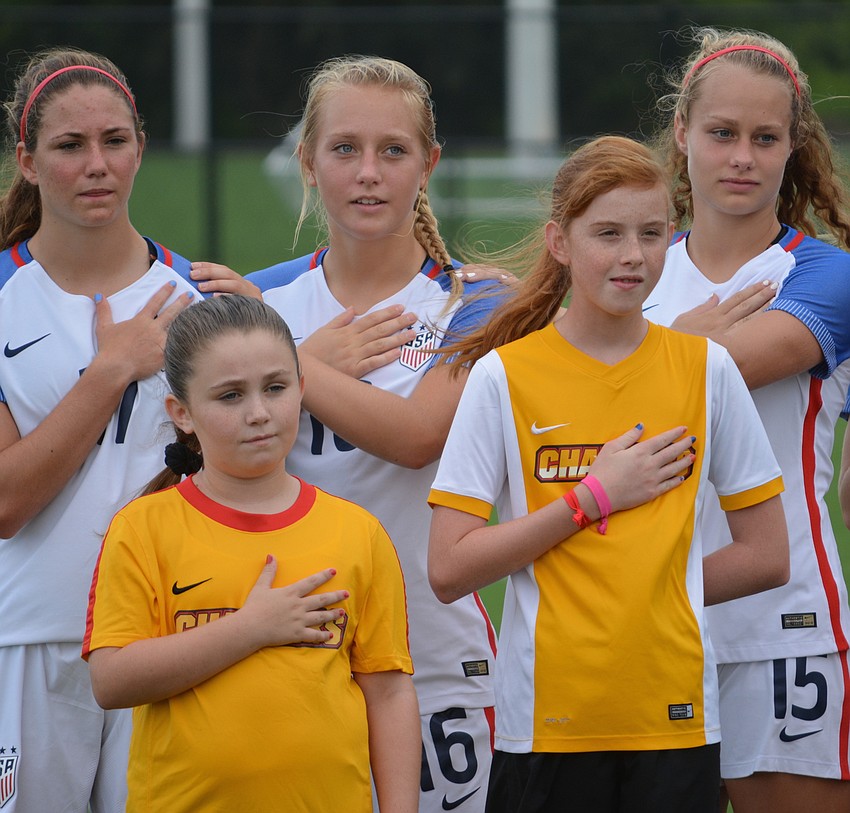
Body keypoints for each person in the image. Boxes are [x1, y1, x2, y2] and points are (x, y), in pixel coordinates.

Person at [427, 135, 790, 813]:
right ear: (559, 242)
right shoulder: (502, 377)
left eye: (652, 233)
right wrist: (591, 498)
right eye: (608, 233)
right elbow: (448, 567)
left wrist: (661, 586)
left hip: (675, 722)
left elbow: (768, 555)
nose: (632, 255)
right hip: (545, 726)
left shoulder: (707, 369)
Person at [217, 55, 507, 813]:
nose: (368, 173)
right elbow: (206, 462)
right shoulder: (264, 296)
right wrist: (285, 350)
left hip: (435, 659)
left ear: (429, 164)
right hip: (284, 652)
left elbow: (416, 436)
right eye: (344, 149)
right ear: (308, 162)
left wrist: (287, 367)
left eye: (393, 150)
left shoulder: (478, 301)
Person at [83, 294, 418, 813]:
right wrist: (250, 628)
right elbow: (111, 680)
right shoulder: (144, 526)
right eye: (230, 396)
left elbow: (390, 694)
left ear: (302, 390)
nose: (259, 413)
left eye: (276, 388)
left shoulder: (358, 531)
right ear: (182, 413)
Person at [643, 27, 850, 812]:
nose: (741, 156)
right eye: (721, 133)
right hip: (644, 618)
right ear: (681, 134)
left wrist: (653, 347)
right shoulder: (633, 268)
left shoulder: (824, 274)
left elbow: (717, 371)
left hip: (781, 624)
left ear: (791, 147)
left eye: (765, 138)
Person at [0, 48, 202, 812]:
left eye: (115, 141)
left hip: (165, 635)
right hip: (31, 639)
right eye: (69, 145)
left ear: (140, 148)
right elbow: (6, 504)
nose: (96, 165)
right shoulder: (3, 298)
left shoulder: (197, 297)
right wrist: (112, 369)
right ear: (26, 160)